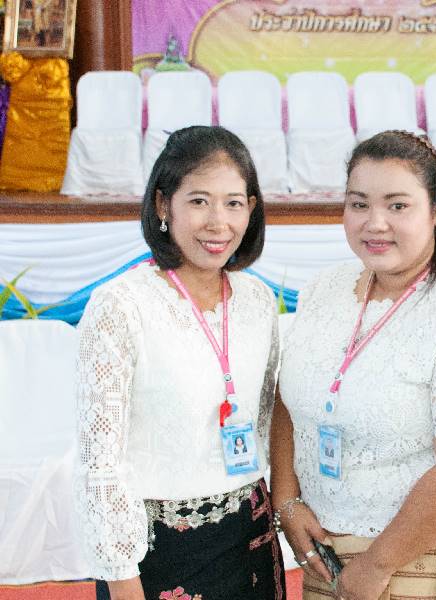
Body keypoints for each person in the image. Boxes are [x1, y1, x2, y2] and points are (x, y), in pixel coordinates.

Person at [271, 130, 436, 599]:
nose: (375, 223)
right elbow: (291, 398)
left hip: (431, 557)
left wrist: (377, 564)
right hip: (328, 549)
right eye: (359, 204)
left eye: (398, 205)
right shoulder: (326, 289)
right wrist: (286, 499)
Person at [75, 126, 285, 600]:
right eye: (199, 201)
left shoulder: (257, 300)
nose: (218, 222)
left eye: (234, 203)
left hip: (250, 540)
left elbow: (265, 422)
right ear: (162, 205)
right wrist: (122, 579)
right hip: (156, 552)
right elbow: (99, 465)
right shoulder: (120, 306)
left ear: (252, 209)